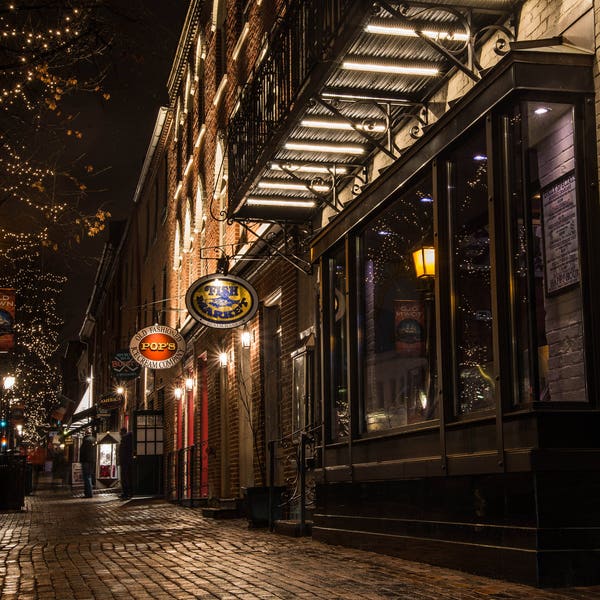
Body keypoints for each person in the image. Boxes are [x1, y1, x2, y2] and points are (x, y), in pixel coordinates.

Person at [118, 426, 133, 499]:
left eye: (120, 432)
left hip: (124, 462)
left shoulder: (124, 439)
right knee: (128, 477)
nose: (119, 433)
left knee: (125, 478)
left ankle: (126, 493)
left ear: (122, 432)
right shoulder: (129, 439)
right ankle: (127, 493)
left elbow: (122, 452)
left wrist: (120, 460)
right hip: (128, 461)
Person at [79, 429, 95, 498]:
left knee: (87, 477)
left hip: (86, 461)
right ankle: (88, 492)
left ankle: (89, 493)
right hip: (92, 461)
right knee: (89, 476)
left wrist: (81, 460)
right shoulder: (94, 439)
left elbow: (82, 451)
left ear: (85, 433)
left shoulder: (86, 441)